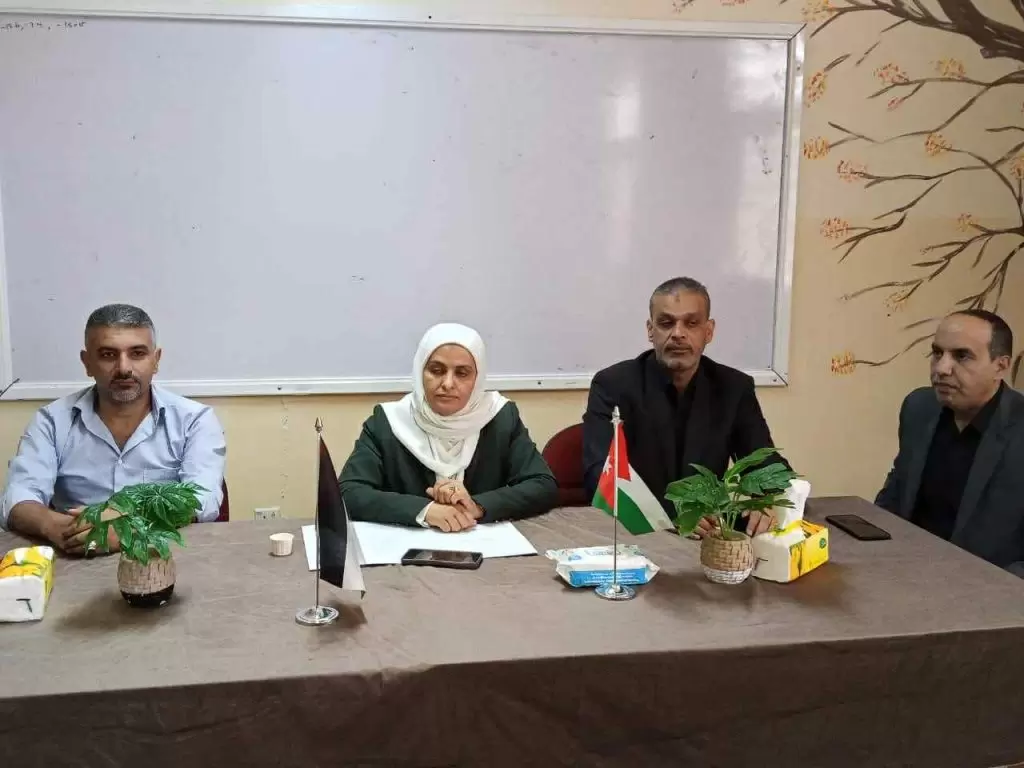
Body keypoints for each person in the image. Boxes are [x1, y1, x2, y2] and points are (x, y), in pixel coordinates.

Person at [1, 304, 226, 555]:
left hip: (163, 554)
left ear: (156, 360)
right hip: (76, 555)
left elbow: (202, 499)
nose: (123, 368)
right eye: (108, 355)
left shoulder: (195, 420)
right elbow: (18, 497)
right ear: (87, 362)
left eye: (137, 353)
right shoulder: (51, 421)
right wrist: (55, 525)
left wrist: (127, 523)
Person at [582, 277, 787, 538]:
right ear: (650, 330)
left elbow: (769, 467)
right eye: (666, 323)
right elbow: (600, 476)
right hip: (637, 535)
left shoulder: (734, 388)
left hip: (708, 539)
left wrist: (765, 503)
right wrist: (676, 515)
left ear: (708, 331)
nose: (678, 333)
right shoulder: (613, 386)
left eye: (691, 323)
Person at [339, 323, 558, 531]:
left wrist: (477, 506)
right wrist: (424, 511)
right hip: (407, 548)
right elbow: (349, 492)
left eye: (462, 373)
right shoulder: (389, 421)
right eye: (436, 370)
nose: (447, 383)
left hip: (483, 546)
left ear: (477, 378)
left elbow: (542, 485)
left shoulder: (500, 417)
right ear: (420, 371)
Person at [876, 310, 1024, 577]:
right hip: (904, 574)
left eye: (962, 356)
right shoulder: (919, 408)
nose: (941, 368)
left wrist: (993, 588)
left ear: (1000, 366)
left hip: (988, 590)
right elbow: (896, 494)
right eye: (937, 353)